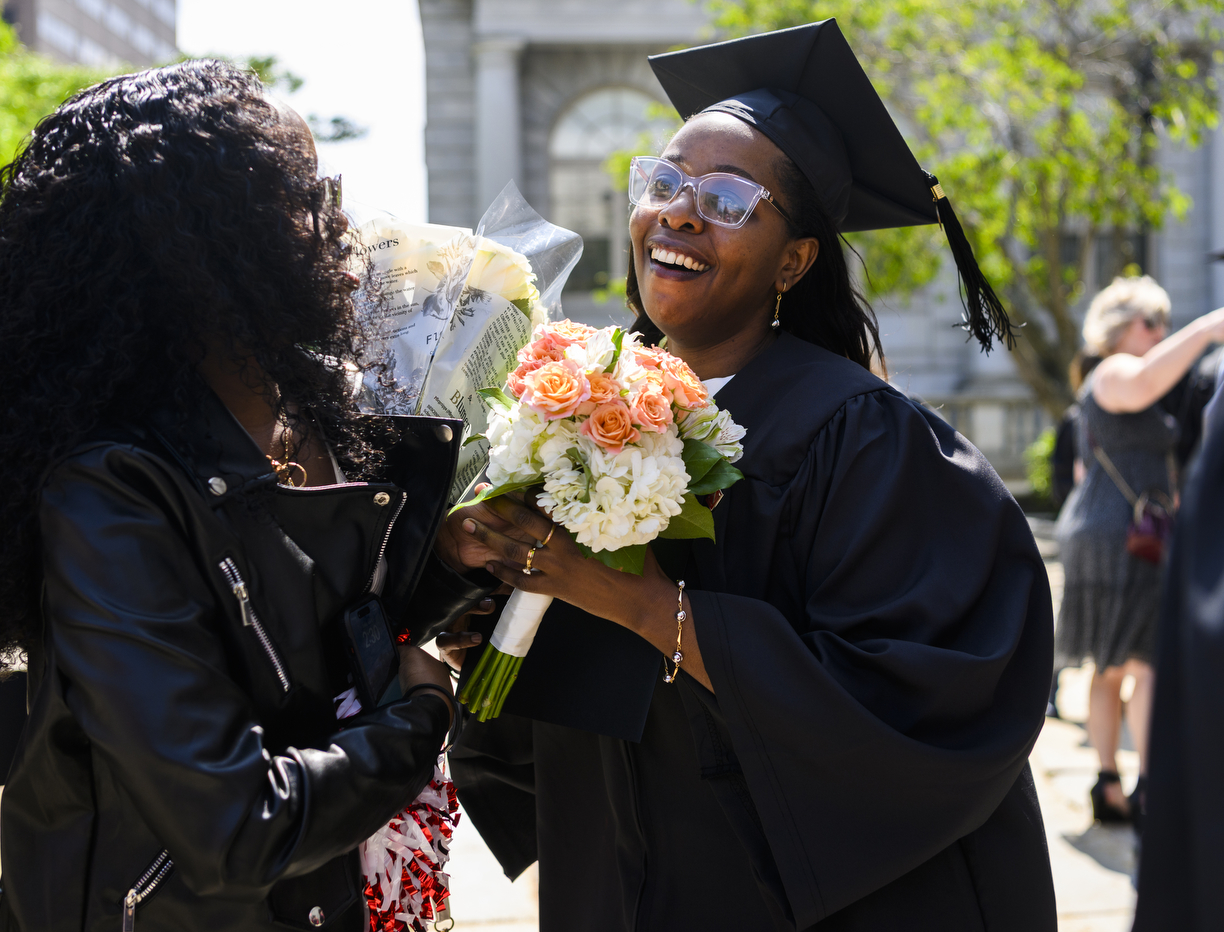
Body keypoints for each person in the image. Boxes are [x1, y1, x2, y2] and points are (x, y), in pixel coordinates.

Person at [436, 20, 1057, 932]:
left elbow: (927, 704)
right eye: (666, 182)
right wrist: (487, 599)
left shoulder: (865, 440)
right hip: (620, 874)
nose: (680, 212)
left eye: (729, 198)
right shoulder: (579, 410)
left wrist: (649, 607)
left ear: (795, 260)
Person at [0, 61, 488, 932]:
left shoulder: (321, 416)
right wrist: (420, 720)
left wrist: (459, 560)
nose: (341, 216)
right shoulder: (110, 491)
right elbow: (238, 824)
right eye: (306, 191)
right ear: (205, 241)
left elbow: (328, 634)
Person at [1054, 277, 1224, 827]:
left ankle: (1109, 785)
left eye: (1166, 322)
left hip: (1102, 531)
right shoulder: (1114, 371)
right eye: (1152, 321)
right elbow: (1149, 379)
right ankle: (1150, 787)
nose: (1160, 331)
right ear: (1119, 326)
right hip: (1124, 536)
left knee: (1108, 668)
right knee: (1145, 665)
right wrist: (1207, 329)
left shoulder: (1099, 384)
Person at [1131, 367, 1224, 931]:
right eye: (1150, 320)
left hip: (1168, 539)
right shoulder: (1121, 376)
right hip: (1133, 543)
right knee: (1128, 667)